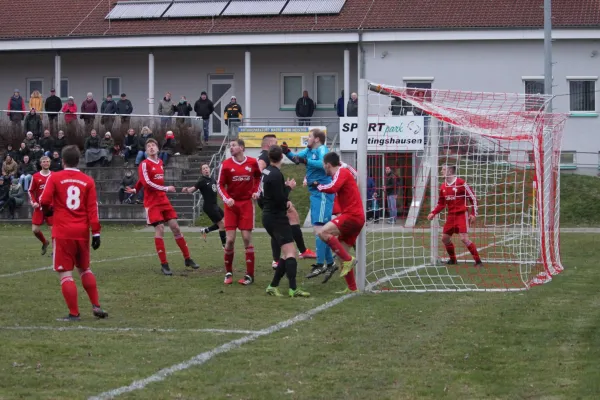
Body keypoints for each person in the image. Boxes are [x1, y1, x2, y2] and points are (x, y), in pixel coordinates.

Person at [39, 145, 108, 322]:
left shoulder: (55, 177)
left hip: (63, 231)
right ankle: (96, 305)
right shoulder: (88, 180)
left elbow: (44, 200)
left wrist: (47, 211)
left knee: (65, 273)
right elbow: (93, 209)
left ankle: (74, 313)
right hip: (82, 232)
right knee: (84, 268)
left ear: (62, 161)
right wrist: (97, 233)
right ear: (79, 161)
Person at [126, 138, 198, 275]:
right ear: (146, 151)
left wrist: (135, 189)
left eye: (153, 145)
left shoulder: (160, 162)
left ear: (158, 149)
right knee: (160, 228)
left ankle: (187, 258)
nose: (151, 147)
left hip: (163, 200)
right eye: (148, 146)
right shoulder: (144, 164)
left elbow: (142, 181)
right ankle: (164, 264)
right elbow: (146, 183)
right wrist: (165, 188)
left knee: (176, 227)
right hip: (152, 202)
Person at [282, 128, 335, 279]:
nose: (308, 138)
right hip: (315, 193)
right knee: (320, 229)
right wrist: (287, 152)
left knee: (320, 228)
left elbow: (323, 164)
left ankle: (320, 264)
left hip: (323, 193)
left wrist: (306, 161)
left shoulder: (322, 149)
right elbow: (298, 159)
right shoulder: (309, 150)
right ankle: (330, 264)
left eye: (310, 136)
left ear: (317, 139)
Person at [257, 134, 315, 269]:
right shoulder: (266, 156)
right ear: (269, 144)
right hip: (269, 198)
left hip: (271, 194)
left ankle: (301, 250)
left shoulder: (267, 157)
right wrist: (266, 186)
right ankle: (280, 258)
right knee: (280, 224)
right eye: (275, 143)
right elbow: (261, 173)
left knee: (292, 217)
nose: (278, 146)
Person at [259, 145, 310, 298]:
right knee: (291, 253)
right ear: (281, 157)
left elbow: (265, 195)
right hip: (276, 217)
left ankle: (273, 286)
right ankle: (293, 288)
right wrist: (290, 189)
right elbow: (281, 199)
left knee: (285, 254)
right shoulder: (275, 174)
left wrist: (284, 188)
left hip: (269, 216)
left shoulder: (266, 171)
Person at [315, 152, 365, 294]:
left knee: (323, 232)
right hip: (355, 217)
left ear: (327, 164)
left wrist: (318, 187)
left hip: (352, 216)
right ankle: (352, 289)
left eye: (323, 165)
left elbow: (333, 187)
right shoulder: (341, 173)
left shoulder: (341, 172)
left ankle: (350, 259)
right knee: (342, 255)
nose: (323, 167)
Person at [217, 139, 261, 285]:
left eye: (234, 145)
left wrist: (256, 192)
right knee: (229, 240)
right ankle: (228, 272)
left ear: (242, 147)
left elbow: (258, 177)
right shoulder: (226, 164)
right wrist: (227, 198)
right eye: (230, 146)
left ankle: (250, 275)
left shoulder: (253, 162)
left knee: (247, 238)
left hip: (246, 204)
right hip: (231, 205)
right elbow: (220, 185)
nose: (231, 148)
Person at [427, 164, 482, 267]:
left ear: (450, 171)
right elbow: (441, 204)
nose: (441, 171)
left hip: (462, 214)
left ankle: (478, 261)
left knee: (464, 238)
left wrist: (474, 214)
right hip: (451, 216)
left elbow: (473, 198)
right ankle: (453, 260)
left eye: (443, 169)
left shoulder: (461, 183)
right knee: (444, 238)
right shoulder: (443, 186)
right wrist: (433, 213)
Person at [181, 164, 226, 248]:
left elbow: (218, 188)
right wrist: (187, 190)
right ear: (201, 171)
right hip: (209, 207)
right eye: (204, 169)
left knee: (225, 222)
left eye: (207, 168)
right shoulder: (202, 180)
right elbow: (193, 189)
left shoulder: (212, 179)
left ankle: (205, 230)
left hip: (215, 205)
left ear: (209, 169)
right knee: (222, 224)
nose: (206, 170)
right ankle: (224, 245)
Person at [28, 156, 53, 254]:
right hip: (39, 207)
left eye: (47, 161)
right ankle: (45, 242)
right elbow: (30, 191)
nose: (46, 163)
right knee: (35, 230)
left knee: (54, 230)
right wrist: (33, 202)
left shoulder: (54, 176)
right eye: (44, 162)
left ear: (50, 163)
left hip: (51, 207)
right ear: (41, 164)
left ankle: (55, 251)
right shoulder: (36, 176)